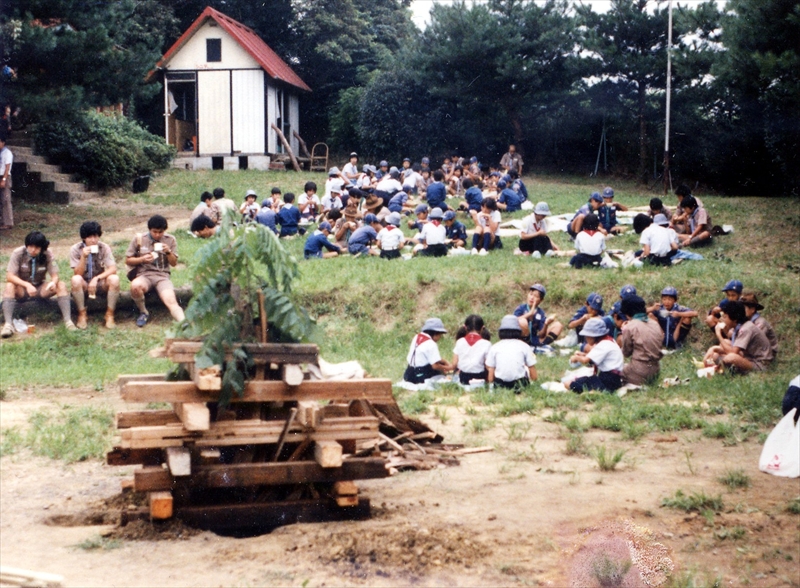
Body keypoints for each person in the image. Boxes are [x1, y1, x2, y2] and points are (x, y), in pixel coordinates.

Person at [2, 231, 75, 337]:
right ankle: (8, 324)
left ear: (42, 247)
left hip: (40, 287)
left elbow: (55, 275)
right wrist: (27, 285)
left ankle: (68, 321)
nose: (33, 250)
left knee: (61, 285)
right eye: (30, 246)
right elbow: (9, 276)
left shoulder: (47, 253)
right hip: (22, 289)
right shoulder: (18, 253)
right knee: (9, 286)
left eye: (37, 247)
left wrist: (53, 283)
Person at [125, 215, 184, 327]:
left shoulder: (170, 240)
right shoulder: (140, 239)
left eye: (160, 232)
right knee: (135, 286)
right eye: (154, 232)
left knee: (171, 301)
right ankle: (143, 312)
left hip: (162, 276)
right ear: (149, 230)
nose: (157, 235)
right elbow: (128, 260)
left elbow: (174, 263)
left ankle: (183, 322)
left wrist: (168, 252)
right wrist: (142, 259)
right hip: (144, 275)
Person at [69, 221, 120, 329]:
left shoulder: (104, 247)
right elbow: (77, 273)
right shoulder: (75, 249)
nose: (93, 240)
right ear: (84, 238)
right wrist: (83, 257)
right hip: (84, 284)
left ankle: (109, 314)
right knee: (76, 279)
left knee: (114, 279)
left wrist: (97, 278)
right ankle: (82, 314)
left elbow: (113, 268)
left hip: (99, 283)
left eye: (96, 236)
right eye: (90, 237)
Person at [703, 300, 772, 374]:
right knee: (719, 351)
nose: (723, 320)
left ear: (734, 319)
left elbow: (733, 352)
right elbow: (735, 348)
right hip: (748, 356)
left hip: (760, 363)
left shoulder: (746, 329)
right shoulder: (739, 327)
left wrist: (719, 335)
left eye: (725, 317)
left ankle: (724, 367)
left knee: (730, 358)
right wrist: (714, 349)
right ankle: (717, 364)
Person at [567, 318, 624, 393]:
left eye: (587, 336)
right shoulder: (609, 340)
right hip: (614, 379)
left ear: (593, 335)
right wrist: (583, 354)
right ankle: (596, 390)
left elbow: (585, 361)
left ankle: (593, 392)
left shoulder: (603, 344)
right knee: (581, 380)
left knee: (569, 383)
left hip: (607, 379)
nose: (586, 339)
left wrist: (576, 358)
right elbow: (594, 357)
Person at [618, 296, 663, 385]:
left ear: (628, 313)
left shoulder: (630, 327)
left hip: (639, 371)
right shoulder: (655, 324)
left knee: (614, 374)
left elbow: (626, 353)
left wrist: (624, 332)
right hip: (655, 370)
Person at [486, 315, 537, 392]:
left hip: (500, 384)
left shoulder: (495, 347)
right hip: (519, 384)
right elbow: (531, 368)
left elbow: (491, 370)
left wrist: (491, 384)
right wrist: (534, 382)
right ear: (519, 331)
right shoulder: (524, 346)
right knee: (525, 368)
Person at [514, 283, 563, 352]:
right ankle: (526, 346)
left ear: (540, 300)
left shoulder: (540, 313)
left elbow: (541, 335)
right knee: (522, 321)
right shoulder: (521, 308)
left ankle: (541, 345)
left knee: (558, 325)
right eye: (531, 294)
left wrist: (546, 324)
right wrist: (529, 314)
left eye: (536, 296)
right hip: (520, 339)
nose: (532, 298)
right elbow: (513, 321)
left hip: (534, 338)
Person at [403, 318, 452, 384]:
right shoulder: (431, 344)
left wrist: (444, 361)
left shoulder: (417, 336)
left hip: (409, 373)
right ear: (435, 334)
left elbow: (431, 357)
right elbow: (435, 366)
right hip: (420, 375)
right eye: (440, 335)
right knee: (440, 373)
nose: (439, 338)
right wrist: (447, 368)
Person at [449, 315, 492, 385]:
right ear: (482, 328)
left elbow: (454, 364)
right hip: (480, 377)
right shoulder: (487, 344)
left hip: (463, 378)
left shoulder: (459, 341)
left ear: (465, 327)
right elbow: (488, 365)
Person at [740, 291, 778, 362]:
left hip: (766, 353)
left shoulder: (760, 323)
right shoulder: (746, 321)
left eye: (743, 308)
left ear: (752, 309)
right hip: (755, 349)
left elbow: (756, 341)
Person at [0, 134, 13, 230]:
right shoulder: (0, 153)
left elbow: (7, 167)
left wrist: (4, 179)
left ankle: (8, 222)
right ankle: (3, 221)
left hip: (5, 176)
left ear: (3, 142)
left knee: (6, 199)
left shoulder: (7, 153)